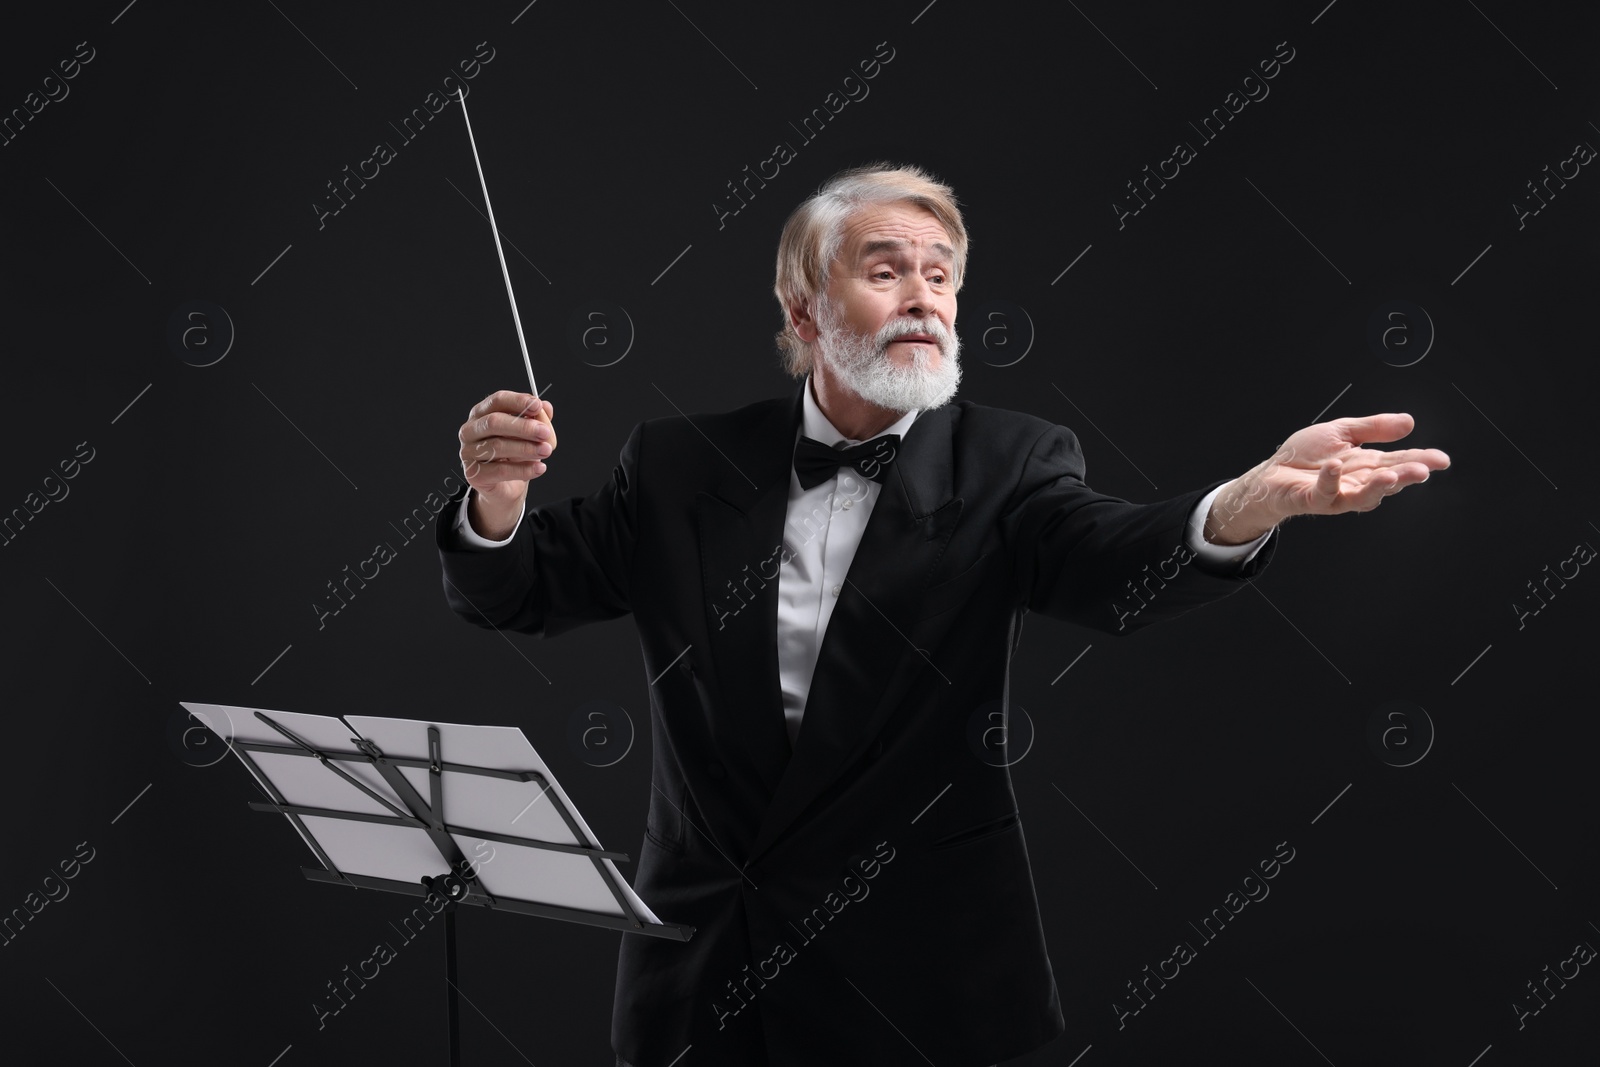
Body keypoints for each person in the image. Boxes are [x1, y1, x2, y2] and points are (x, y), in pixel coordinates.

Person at [434, 163, 1449, 1067]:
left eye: (940, 275)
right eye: (885, 271)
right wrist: (498, 504)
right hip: (703, 973)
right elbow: (518, 591)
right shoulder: (676, 464)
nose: (923, 296)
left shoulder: (1013, 460)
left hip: (920, 977)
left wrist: (1249, 501)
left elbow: (1115, 566)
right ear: (802, 311)